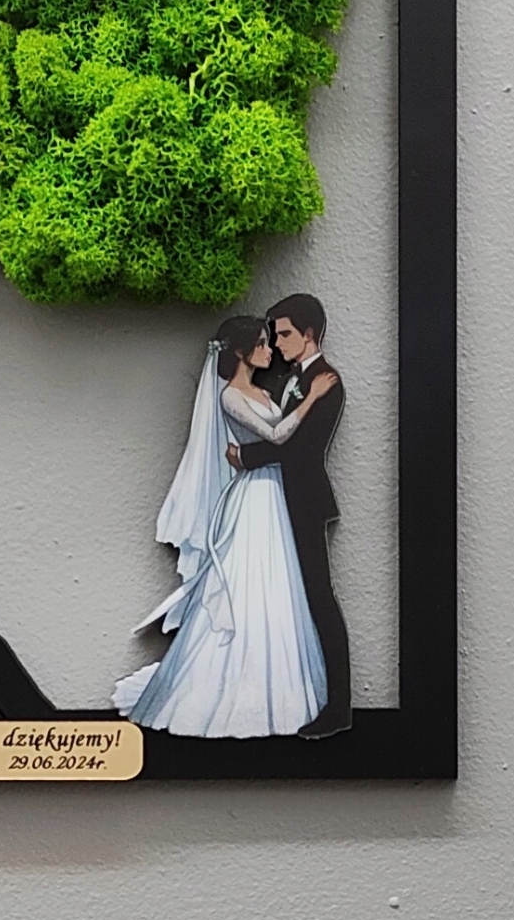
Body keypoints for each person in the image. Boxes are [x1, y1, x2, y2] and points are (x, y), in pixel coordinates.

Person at [112, 317, 334, 739]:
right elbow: (277, 435)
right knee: (249, 581)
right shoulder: (231, 396)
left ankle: (281, 690)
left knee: (278, 585)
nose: (269, 351)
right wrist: (312, 398)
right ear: (241, 353)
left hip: (274, 494)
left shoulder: (262, 392)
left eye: (270, 342)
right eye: (262, 345)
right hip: (255, 498)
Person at [226, 294, 351, 737]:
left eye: (284, 334)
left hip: (303, 499)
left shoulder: (327, 382)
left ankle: (338, 706)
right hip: (274, 504)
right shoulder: (285, 379)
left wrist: (246, 457)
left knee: (318, 597)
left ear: (309, 334)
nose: (277, 344)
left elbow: (301, 448)